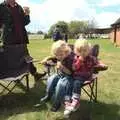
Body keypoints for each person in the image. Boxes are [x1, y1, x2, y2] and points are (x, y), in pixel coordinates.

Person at [0, 0, 46, 82]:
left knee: (27, 57)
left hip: (21, 38)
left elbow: (25, 22)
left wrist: (27, 14)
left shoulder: (19, 7)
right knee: (12, 59)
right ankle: (15, 76)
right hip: (9, 39)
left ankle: (35, 74)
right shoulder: (1, 7)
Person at [64, 40, 108, 117]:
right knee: (70, 82)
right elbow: (74, 68)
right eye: (80, 51)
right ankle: (68, 101)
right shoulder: (76, 58)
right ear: (76, 51)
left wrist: (102, 64)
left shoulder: (91, 58)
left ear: (89, 50)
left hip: (86, 76)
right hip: (77, 76)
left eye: (84, 50)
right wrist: (79, 62)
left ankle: (75, 100)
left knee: (76, 83)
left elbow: (97, 62)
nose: (82, 53)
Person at [40, 40, 75, 112]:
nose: (59, 57)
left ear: (66, 52)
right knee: (50, 79)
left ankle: (57, 103)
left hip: (70, 76)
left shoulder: (71, 59)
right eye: (56, 54)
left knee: (60, 85)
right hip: (61, 74)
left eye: (61, 55)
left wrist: (62, 67)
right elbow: (54, 58)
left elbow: (71, 73)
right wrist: (47, 59)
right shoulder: (59, 55)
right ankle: (48, 96)